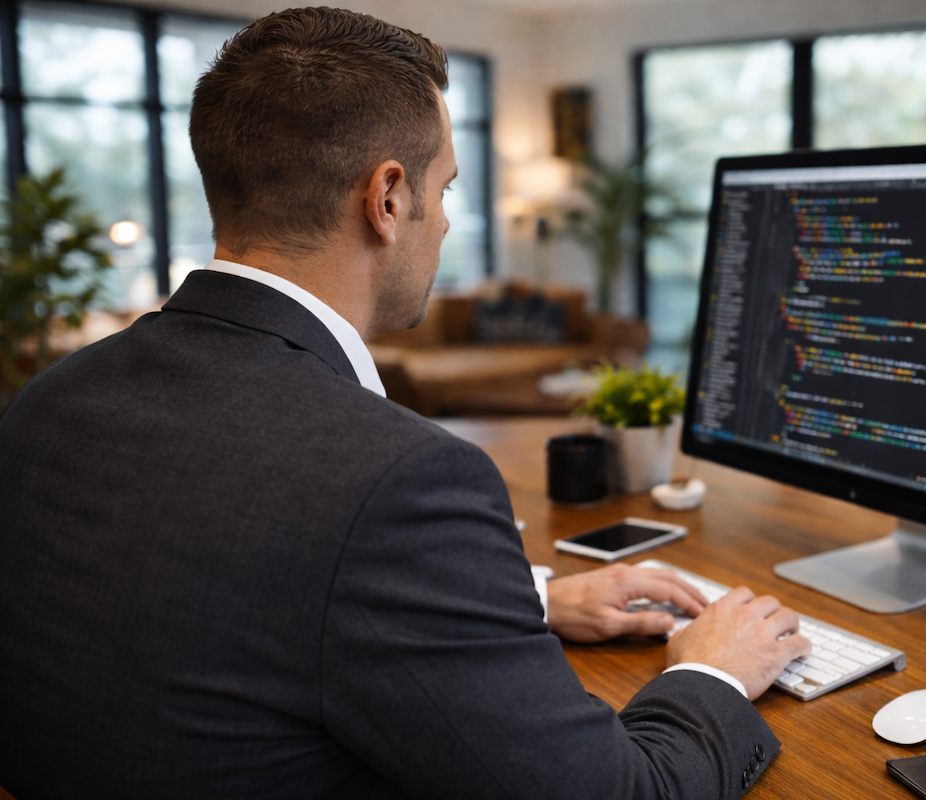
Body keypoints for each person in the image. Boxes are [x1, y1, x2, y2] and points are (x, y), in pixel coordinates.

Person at [0, 8, 810, 799]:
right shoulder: (399, 478)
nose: (448, 221)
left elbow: (209, 576)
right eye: (446, 187)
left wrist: (526, 600)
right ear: (387, 198)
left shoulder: (53, 398)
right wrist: (713, 668)